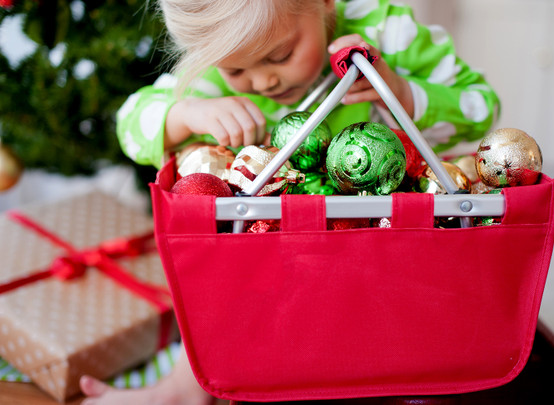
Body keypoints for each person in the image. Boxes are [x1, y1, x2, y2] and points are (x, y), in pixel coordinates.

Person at [80, 0, 500, 404]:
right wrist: (187, 114)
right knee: (224, 280)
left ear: (325, 4)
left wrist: (401, 92)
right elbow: (131, 123)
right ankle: (188, 389)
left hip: (388, 234)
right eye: (237, 70)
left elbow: (481, 105)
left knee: (403, 325)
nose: (264, 82)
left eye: (281, 55)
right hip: (272, 247)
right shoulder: (216, 56)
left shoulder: (384, 28)